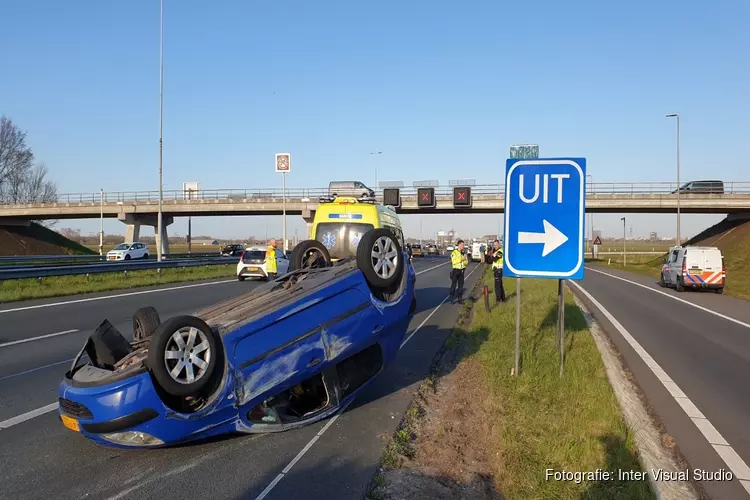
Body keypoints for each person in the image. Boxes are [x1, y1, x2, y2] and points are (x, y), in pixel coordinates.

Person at [449, 240, 469, 304]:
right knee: (453, 285)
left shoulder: (464, 253)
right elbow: (453, 261)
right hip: (455, 271)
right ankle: (452, 298)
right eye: (462, 245)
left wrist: (464, 260)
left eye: (463, 245)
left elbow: (466, 262)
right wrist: (461, 259)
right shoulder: (454, 252)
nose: (463, 246)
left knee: (461, 286)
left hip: (462, 271)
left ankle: (460, 299)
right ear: (459, 245)